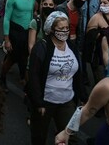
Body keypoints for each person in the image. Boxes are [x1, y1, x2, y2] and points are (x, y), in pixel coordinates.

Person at [27, 12, 87, 145]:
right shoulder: (41, 47)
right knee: (39, 136)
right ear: (51, 30)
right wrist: (38, 102)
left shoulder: (72, 47)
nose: (65, 31)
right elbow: (34, 76)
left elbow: (78, 74)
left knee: (69, 137)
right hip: (46, 101)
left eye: (67, 28)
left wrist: (83, 96)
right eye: (61, 29)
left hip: (67, 101)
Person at [2, 0, 36, 84]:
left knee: (25, 57)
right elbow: (6, 18)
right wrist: (7, 40)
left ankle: (23, 78)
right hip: (15, 31)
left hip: (26, 32)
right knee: (12, 58)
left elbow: (31, 16)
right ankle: (2, 79)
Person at [85, 0, 109, 83]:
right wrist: (103, 33)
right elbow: (89, 35)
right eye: (101, 2)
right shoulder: (96, 17)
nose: (102, 5)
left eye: (105, 3)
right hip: (99, 55)